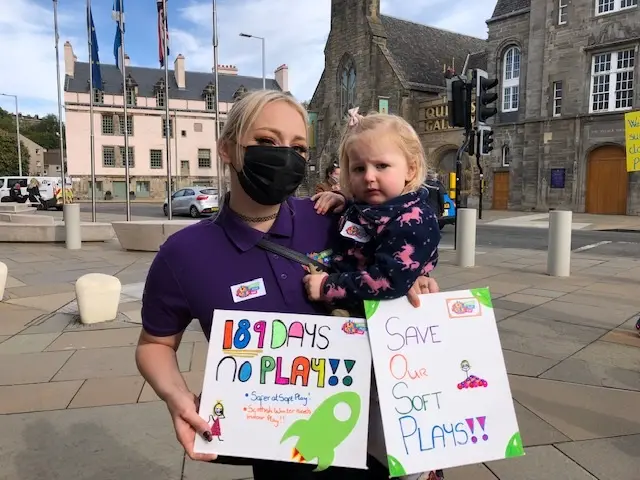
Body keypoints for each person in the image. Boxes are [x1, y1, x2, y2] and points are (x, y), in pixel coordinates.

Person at [135, 89, 440, 480]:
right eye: (266, 141)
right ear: (227, 149)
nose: (284, 156)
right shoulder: (183, 254)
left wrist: (419, 283)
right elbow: (154, 344)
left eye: (298, 147)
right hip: (280, 452)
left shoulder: (336, 218)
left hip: (381, 445)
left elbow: (400, 263)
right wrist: (176, 398)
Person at [308, 107, 443, 480]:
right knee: (363, 417)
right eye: (358, 169)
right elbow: (362, 222)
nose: (369, 177)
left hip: (394, 335)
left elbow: (389, 280)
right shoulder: (376, 207)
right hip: (365, 334)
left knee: (395, 416)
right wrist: (342, 200)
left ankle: (420, 471)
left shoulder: (413, 219)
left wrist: (327, 288)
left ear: (410, 170)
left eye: (382, 166)